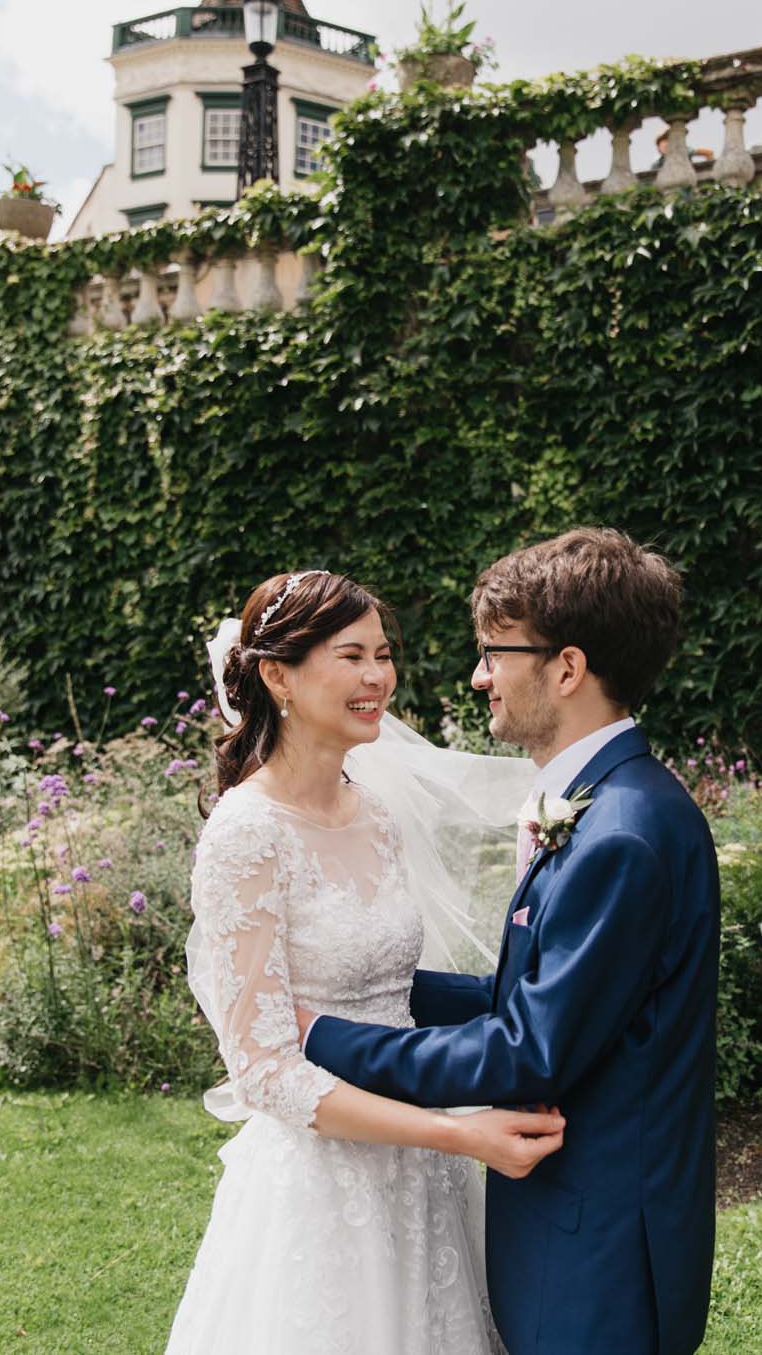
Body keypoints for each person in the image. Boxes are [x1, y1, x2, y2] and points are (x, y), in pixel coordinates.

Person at [300, 528, 721, 1355]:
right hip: (581, 1228)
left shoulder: (622, 835)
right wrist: (383, 981)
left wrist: (327, 1034)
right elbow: (542, 997)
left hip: (598, 1251)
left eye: (495, 652)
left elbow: (530, 1049)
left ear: (566, 668)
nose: (479, 674)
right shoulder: (607, 802)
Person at [163, 569, 562, 1355]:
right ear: (277, 674)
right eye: (351, 656)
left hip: (420, 1178)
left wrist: (510, 1007)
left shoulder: (373, 814)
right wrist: (458, 1134)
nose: (377, 676)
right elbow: (265, 1071)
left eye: (382, 654)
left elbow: (389, 985)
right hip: (324, 1188)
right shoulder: (246, 834)